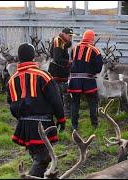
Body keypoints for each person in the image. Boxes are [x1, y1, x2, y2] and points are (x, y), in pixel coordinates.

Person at [7, 43, 66, 178]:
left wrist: (21, 118)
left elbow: (11, 103)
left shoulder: (12, 79)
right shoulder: (43, 76)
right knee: (43, 158)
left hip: (24, 124)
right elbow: (56, 99)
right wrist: (61, 118)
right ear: (33, 57)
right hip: (42, 124)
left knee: (38, 155)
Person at [67, 29, 103, 130]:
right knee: (92, 102)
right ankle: (94, 125)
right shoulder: (95, 50)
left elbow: (71, 63)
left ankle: (74, 126)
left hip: (74, 80)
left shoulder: (74, 48)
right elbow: (99, 68)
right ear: (92, 38)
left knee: (75, 102)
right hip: (88, 80)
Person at [48, 28, 75, 119]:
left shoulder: (63, 42)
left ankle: (64, 113)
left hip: (62, 72)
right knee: (59, 93)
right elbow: (57, 58)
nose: (70, 38)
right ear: (63, 34)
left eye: (71, 36)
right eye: (69, 35)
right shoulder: (58, 41)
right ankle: (59, 113)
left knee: (64, 93)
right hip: (57, 71)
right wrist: (69, 62)